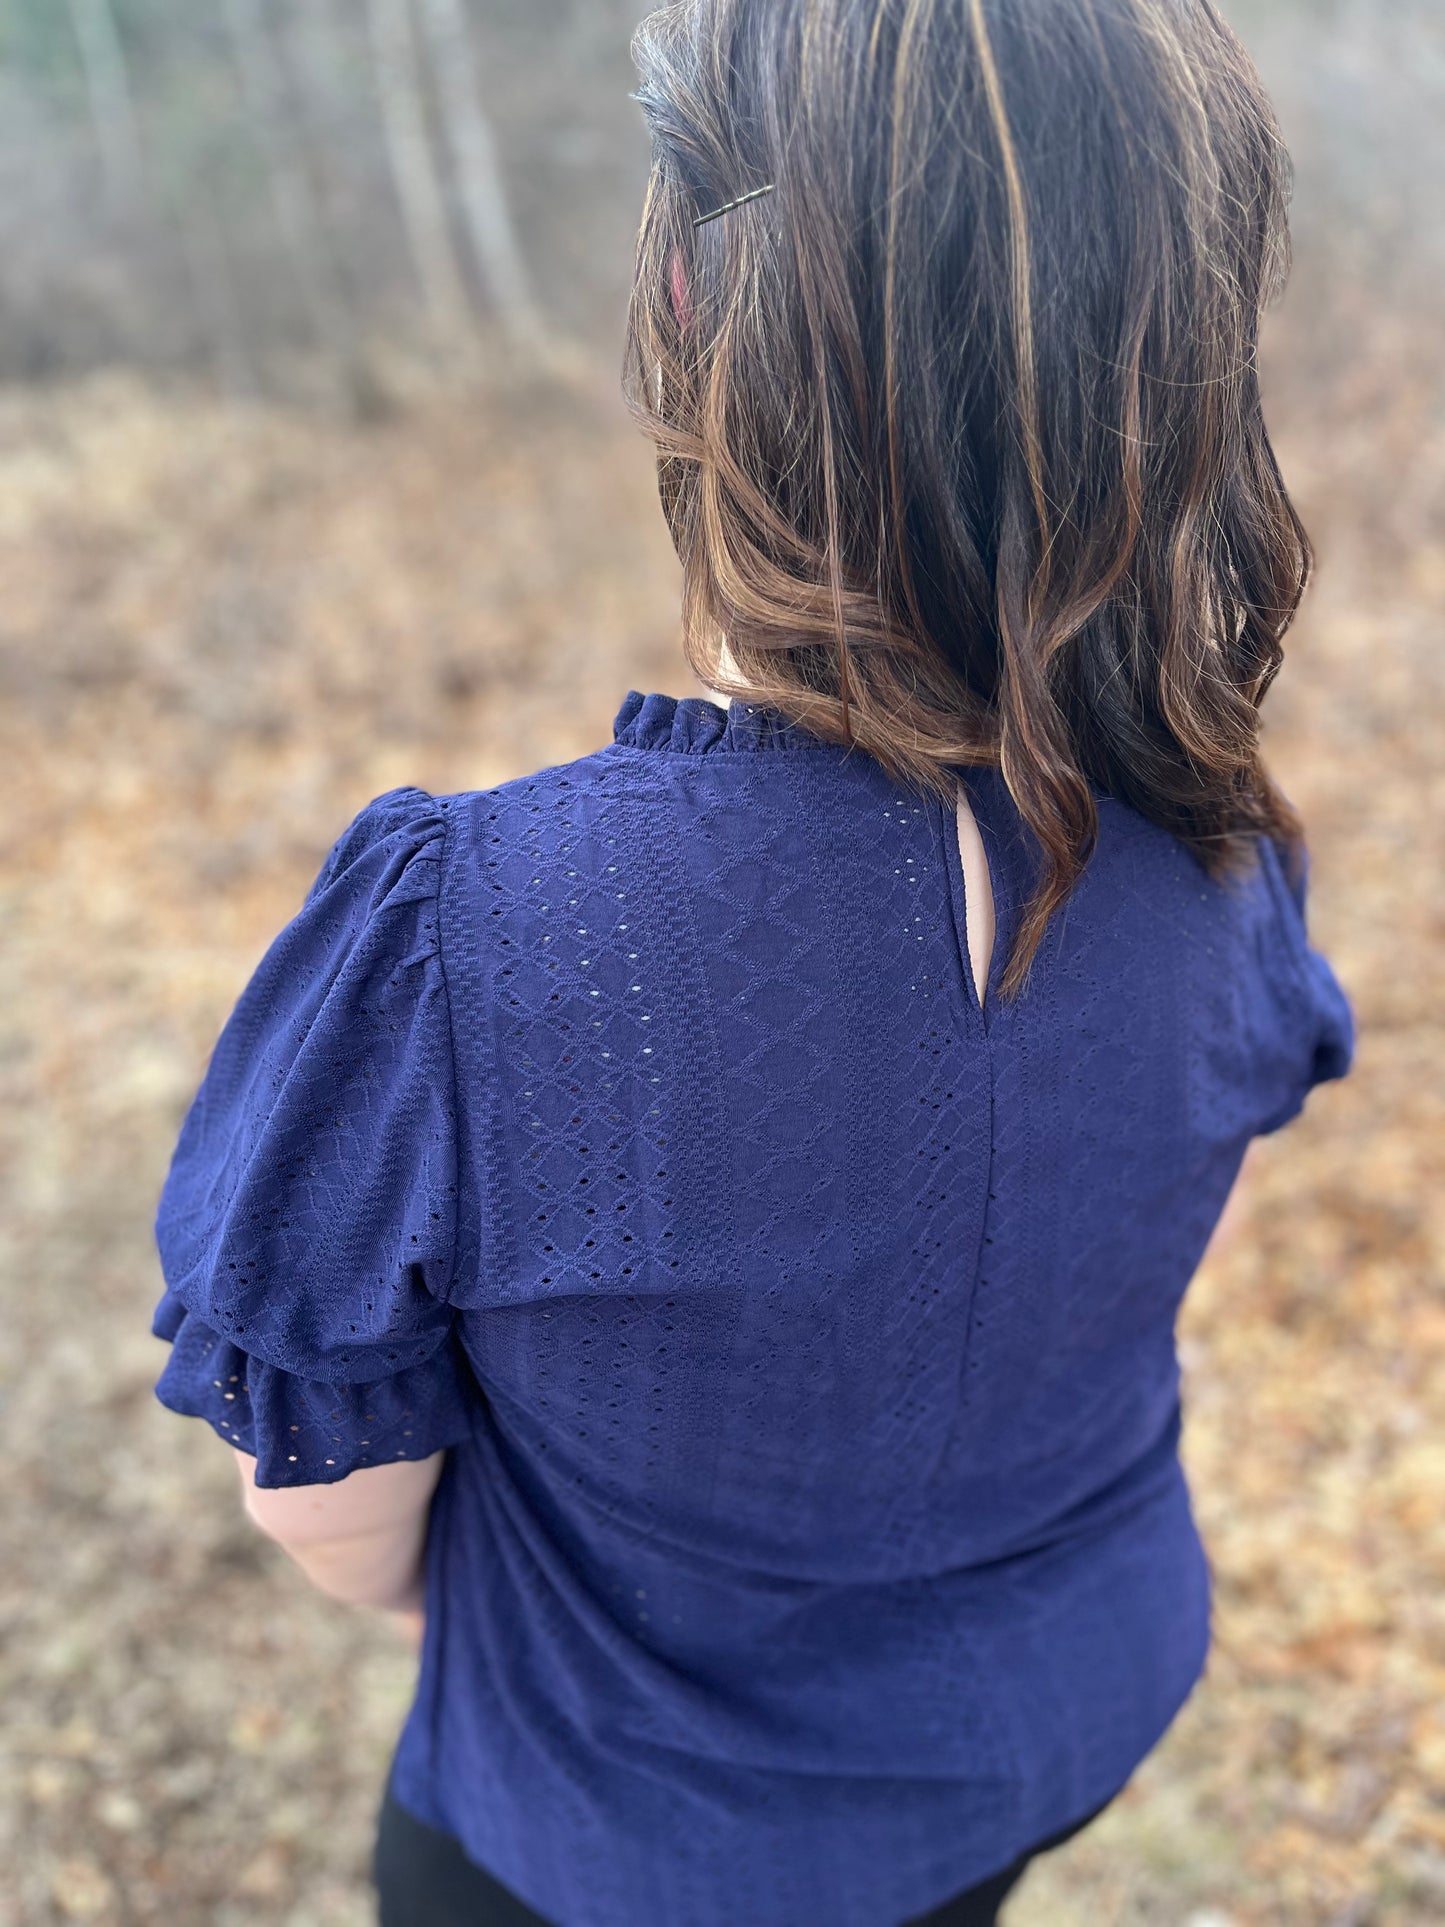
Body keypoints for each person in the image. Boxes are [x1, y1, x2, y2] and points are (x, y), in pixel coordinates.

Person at [149, 1, 1354, 1922]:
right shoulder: (1223, 853)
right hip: (1058, 1717)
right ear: (1176, 343)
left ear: (700, 312)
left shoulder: (478, 934)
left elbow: (328, 1509)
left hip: (621, 1839)